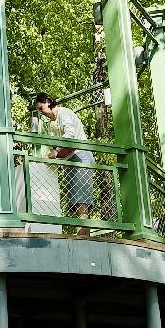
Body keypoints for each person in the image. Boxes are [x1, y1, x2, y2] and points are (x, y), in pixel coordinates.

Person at [33, 92, 93, 235]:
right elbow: (56, 147)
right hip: (69, 161)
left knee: (81, 197)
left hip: (80, 157)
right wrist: (53, 154)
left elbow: (70, 135)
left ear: (48, 101)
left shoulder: (64, 113)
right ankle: (80, 232)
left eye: (41, 108)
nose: (42, 113)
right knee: (73, 198)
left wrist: (55, 151)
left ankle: (83, 235)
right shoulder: (52, 124)